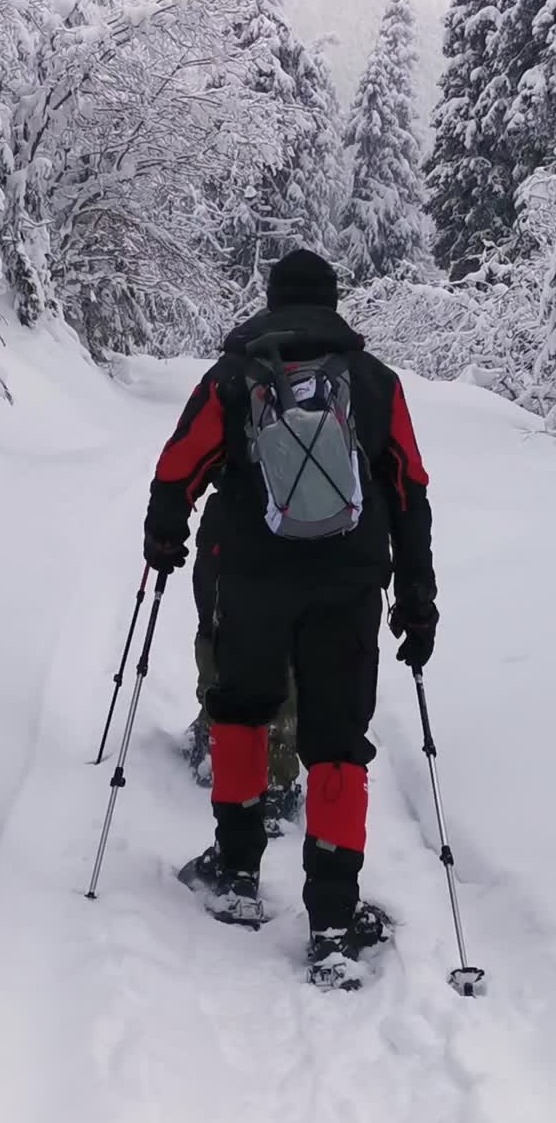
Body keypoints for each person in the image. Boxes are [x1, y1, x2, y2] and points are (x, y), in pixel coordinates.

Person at [143, 249, 437, 980]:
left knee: (241, 710)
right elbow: (409, 493)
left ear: (271, 302)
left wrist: (165, 539)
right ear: (334, 303)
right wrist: (418, 601)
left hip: (249, 576)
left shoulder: (236, 378)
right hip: (348, 582)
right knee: (338, 741)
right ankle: (334, 922)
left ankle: (236, 874)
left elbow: (179, 467)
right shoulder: (373, 383)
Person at [185, 487, 302, 836]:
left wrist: (167, 512)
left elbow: (193, 451)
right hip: (311, 522)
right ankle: (278, 774)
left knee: (218, 620)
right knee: (286, 635)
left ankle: (214, 736)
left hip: (236, 513)